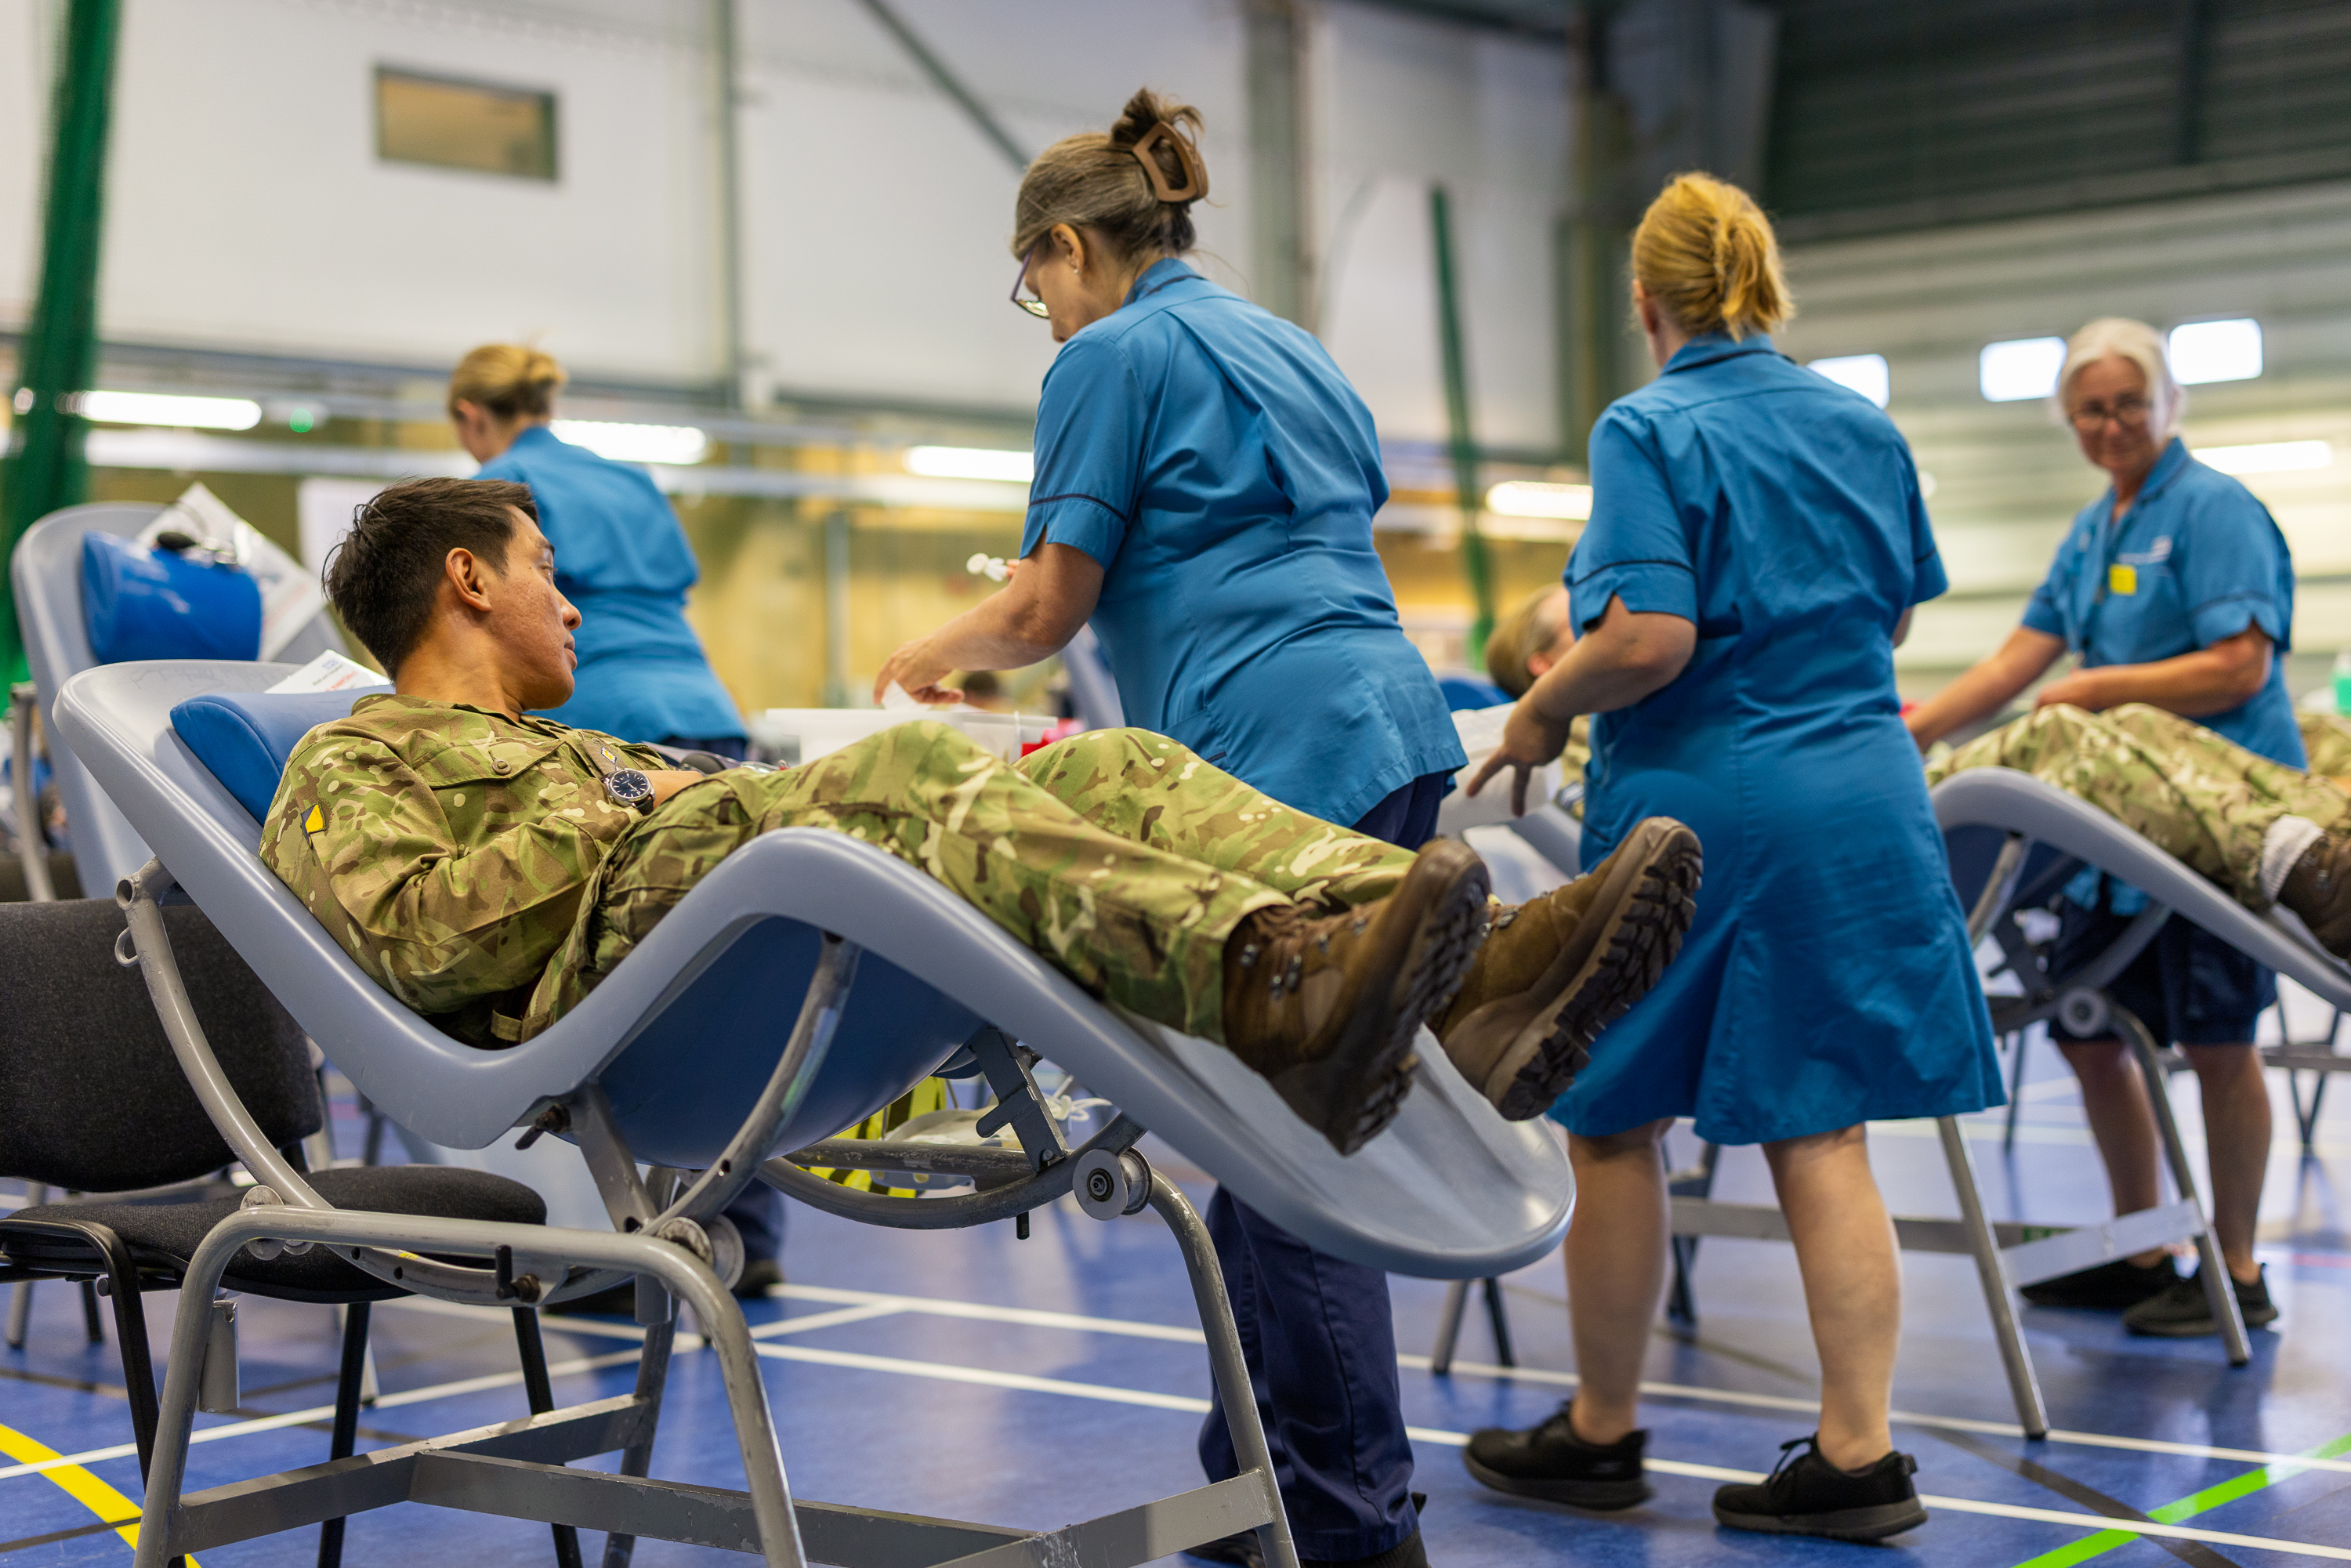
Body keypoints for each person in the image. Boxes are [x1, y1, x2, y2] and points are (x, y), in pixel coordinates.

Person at [874, 91, 1699, 1568]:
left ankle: (1343, 1518)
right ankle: (1262, 1479)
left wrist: (920, 667)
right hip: (1389, 728)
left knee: (1282, 1149)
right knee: (1288, 1122)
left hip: (1262, 749)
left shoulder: (1114, 353)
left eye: (1034, 286)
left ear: (1069, 247)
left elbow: (1046, 604)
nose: (1042, 318)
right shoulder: (1289, 342)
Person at [265, 478, 1700, 1180]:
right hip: (629, 1010)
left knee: (1107, 763)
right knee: (900, 772)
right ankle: (1273, 987)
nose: (574, 604)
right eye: (546, 573)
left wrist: (648, 787)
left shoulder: (571, 742)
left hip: (715, 916)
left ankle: (1473, 973)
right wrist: (640, 804)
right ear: (468, 580)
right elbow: (426, 941)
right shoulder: (347, 760)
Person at [1460, 173, 2001, 1544]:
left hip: (1710, 808)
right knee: (1824, 1123)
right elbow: (1886, 613)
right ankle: (1859, 1454)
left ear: (1647, 303)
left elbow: (1650, 638)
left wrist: (1535, 707)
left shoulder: (1650, 425)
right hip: (1867, 794)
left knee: (1611, 1118)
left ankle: (1597, 1432)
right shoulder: (1858, 424)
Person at [1906, 317, 2298, 1338]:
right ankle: (2143, 1245)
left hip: (2211, 824)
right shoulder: (2094, 530)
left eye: (2130, 402)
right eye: (2092, 407)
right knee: (2087, 1030)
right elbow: (2013, 662)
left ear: (2168, 404)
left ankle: (2240, 1268)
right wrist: (1905, 730)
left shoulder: (2213, 510)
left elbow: (2239, 665)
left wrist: (2095, 690)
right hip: (2116, 836)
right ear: (2070, 421)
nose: (2112, 422)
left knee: (2218, 1041)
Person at [447, 343, 783, 1294]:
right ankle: (744, 1235)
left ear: (473, 418)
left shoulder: (498, 490)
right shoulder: (630, 478)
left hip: (612, 726)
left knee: (629, 986)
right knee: (736, 972)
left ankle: (635, 1246)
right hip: (709, 709)